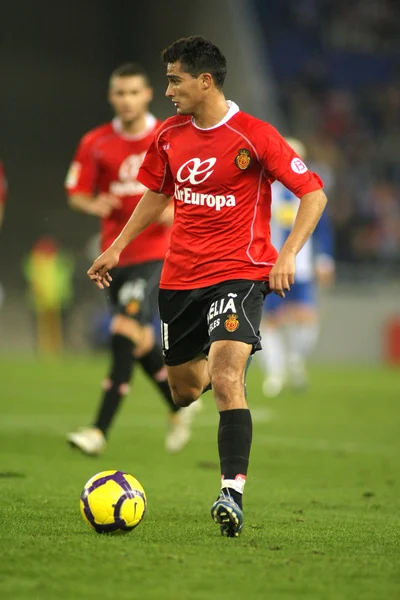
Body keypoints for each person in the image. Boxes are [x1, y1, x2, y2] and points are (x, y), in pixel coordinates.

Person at [87, 36, 328, 537]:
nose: (167, 90)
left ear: (205, 80)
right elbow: (156, 196)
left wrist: (287, 256)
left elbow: (313, 193)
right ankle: (198, 391)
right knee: (185, 391)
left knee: (225, 375)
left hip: (241, 272)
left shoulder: (255, 135)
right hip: (180, 281)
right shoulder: (170, 135)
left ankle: (231, 493)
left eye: (174, 80)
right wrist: (117, 248)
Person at [65, 63, 199, 456]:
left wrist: (172, 210)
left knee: (123, 330)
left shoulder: (169, 136)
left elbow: (189, 190)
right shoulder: (96, 142)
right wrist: (94, 203)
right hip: (114, 254)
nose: (126, 100)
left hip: (158, 253)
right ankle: (178, 406)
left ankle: (98, 430)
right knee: (138, 340)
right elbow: (76, 192)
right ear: (112, 98)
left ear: (147, 95)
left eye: (133, 92)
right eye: (119, 93)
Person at [260, 138, 335, 397]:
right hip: (271, 265)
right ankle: (275, 373)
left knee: (307, 320)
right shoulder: (265, 190)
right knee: (269, 322)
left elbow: (322, 229)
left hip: (301, 268)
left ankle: (295, 359)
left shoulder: (310, 191)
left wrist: (325, 260)